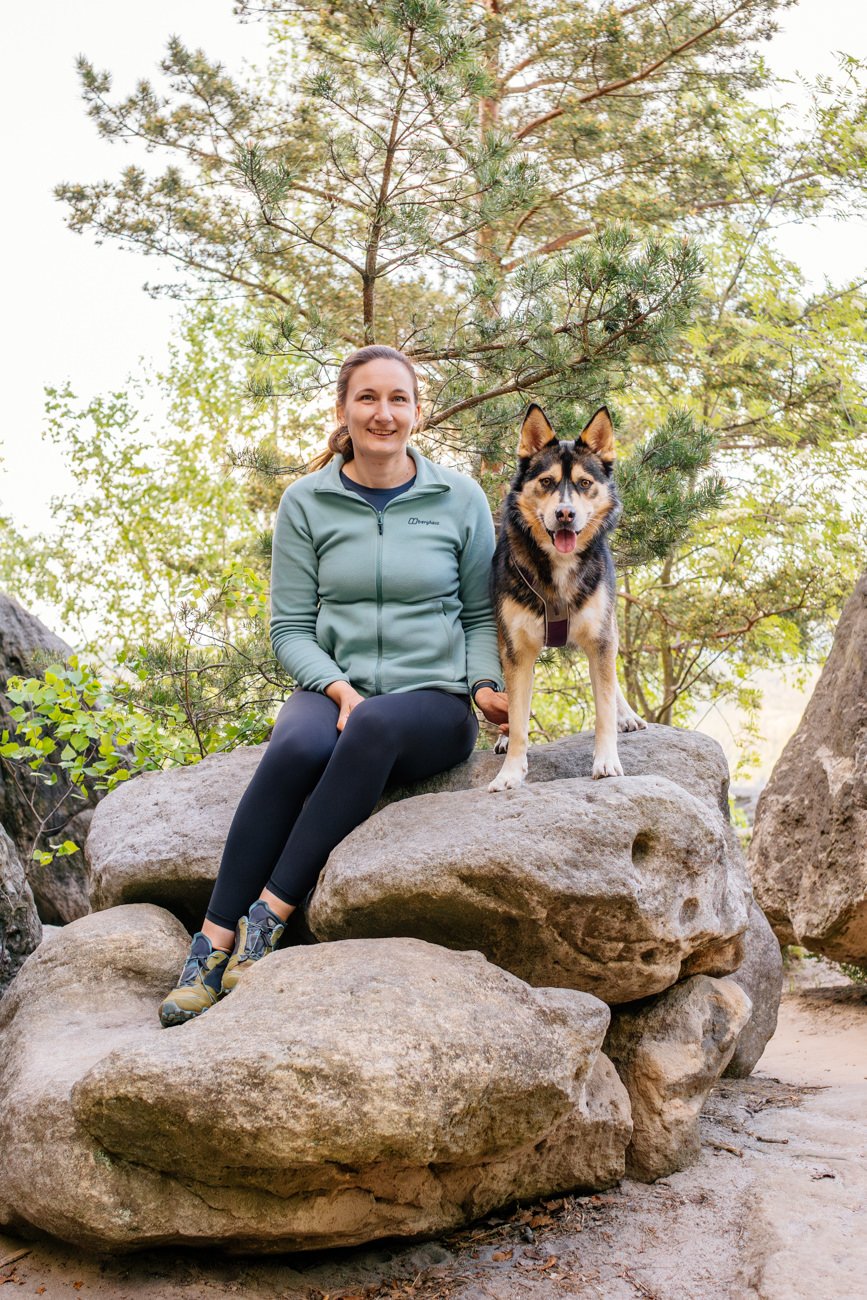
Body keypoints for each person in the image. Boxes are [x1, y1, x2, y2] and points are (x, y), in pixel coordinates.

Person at [159, 344, 508, 1027]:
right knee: (293, 750)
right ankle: (211, 945)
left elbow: (478, 614)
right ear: (343, 410)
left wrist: (486, 682)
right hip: (333, 689)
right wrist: (338, 689)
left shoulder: (458, 498)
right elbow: (289, 626)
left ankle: (269, 916)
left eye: (397, 399)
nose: (384, 413)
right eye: (368, 398)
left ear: (416, 411)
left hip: (430, 702)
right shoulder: (307, 501)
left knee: (375, 726)